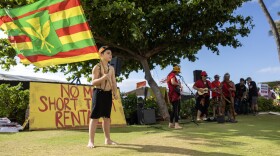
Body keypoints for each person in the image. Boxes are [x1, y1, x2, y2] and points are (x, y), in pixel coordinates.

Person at [87, 46, 118, 148]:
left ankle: (107, 140)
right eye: (108, 53)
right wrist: (103, 77)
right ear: (102, 55)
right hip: (98, 92)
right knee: (95, 117)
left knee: (107, 118)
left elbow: (113, 82)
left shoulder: (111, 68)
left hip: (108, 94)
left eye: (111, 53)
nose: (110, 55)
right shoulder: (97, 67)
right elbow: (93, 82)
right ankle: (91, 141)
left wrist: (115, 92)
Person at [167, 65, 183, 129]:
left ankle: (171, 124)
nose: (178, 73)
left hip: (173, 94)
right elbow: (173, 82)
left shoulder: (170, 75)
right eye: (178, 72)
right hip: (174, 94)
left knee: (174, 109)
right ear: (176, 71)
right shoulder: (172, 75)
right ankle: (176, 124)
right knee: (177, 109)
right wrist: (179, 84)